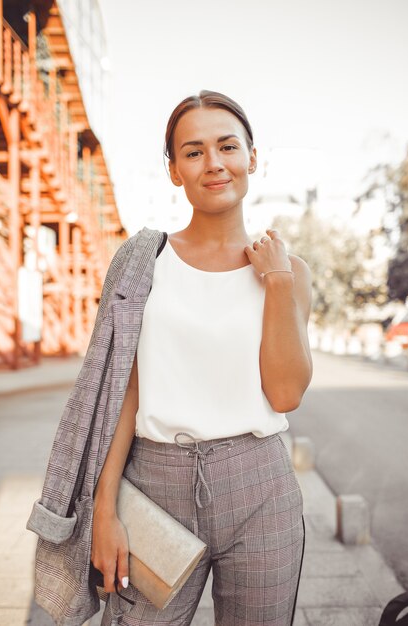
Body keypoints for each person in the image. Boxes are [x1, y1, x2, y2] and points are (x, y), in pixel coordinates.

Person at [91, 89, 313, 626]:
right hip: (154, 483)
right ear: (174, 171)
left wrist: (278, 282)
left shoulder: (290, 271)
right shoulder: (144, 262)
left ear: (251, 158)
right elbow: (122, 391)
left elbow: (285, 394)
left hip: (259, 485)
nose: (213, 163)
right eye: (192, 152)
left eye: (227, 146)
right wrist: (103, 511)